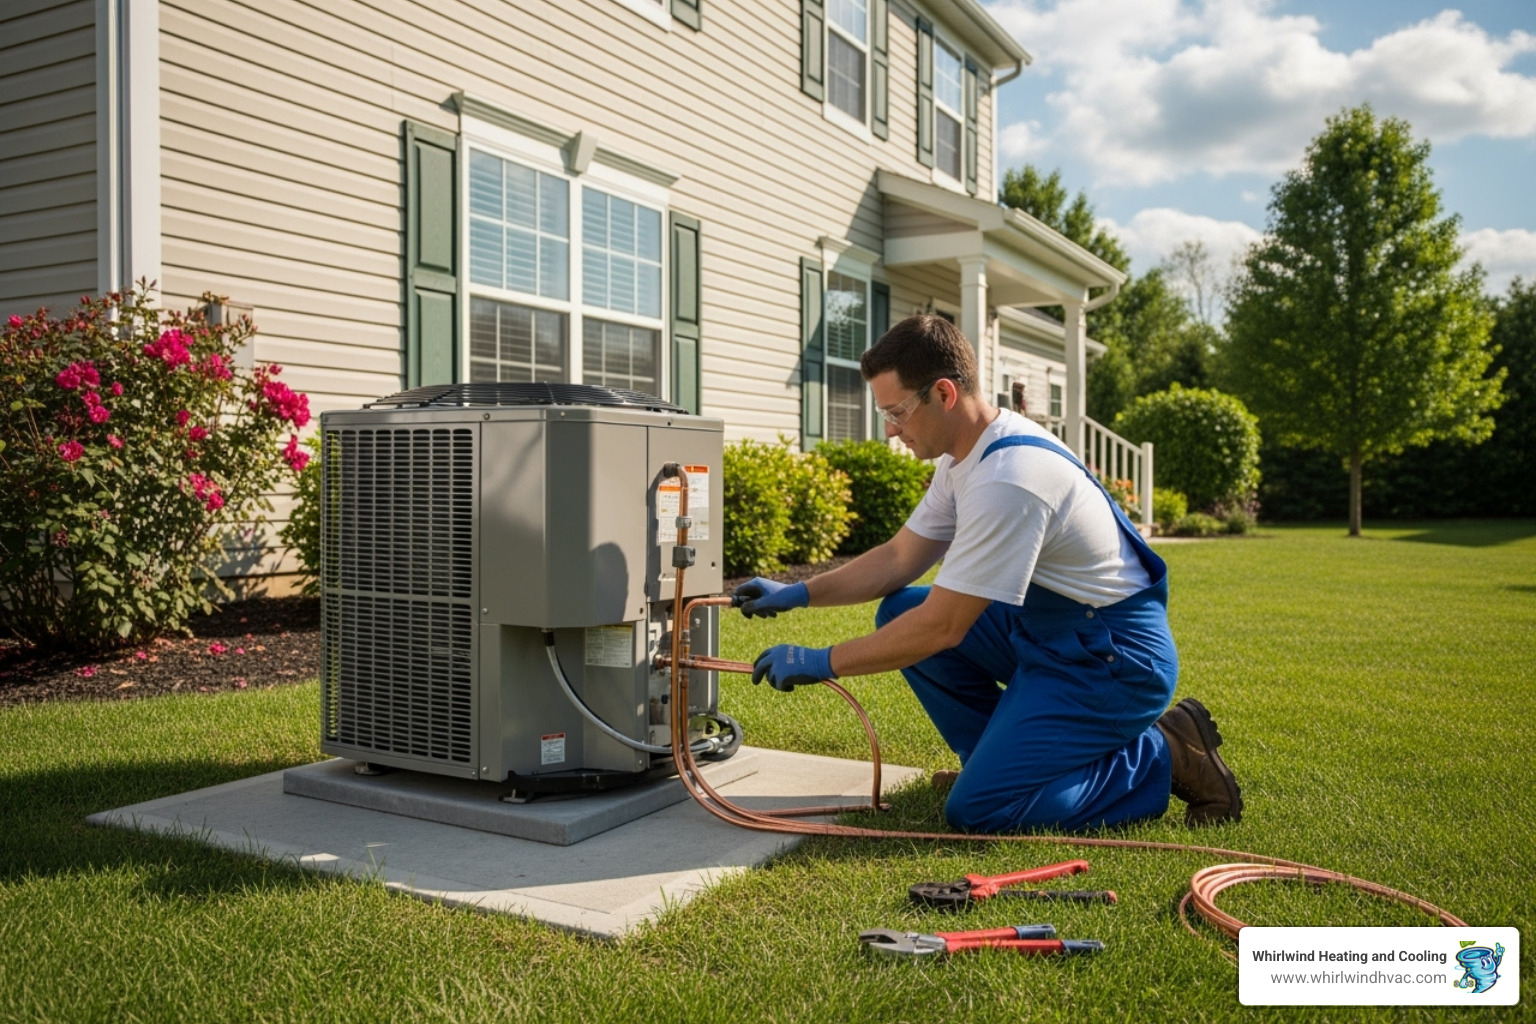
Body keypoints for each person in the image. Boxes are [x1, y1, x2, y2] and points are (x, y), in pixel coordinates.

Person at [735, 314, 1241, 832]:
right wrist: (799, 592)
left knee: (979, 811)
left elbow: (942, 627)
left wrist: (824, 661)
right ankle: (991, 764)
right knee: (900, 609)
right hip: (1055, 630)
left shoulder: (1009, 478)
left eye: (897, 411)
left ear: (944, 393)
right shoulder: (966, 456)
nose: (890, 429)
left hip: (1113, 661)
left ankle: (1163, 753)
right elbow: (899, 558)